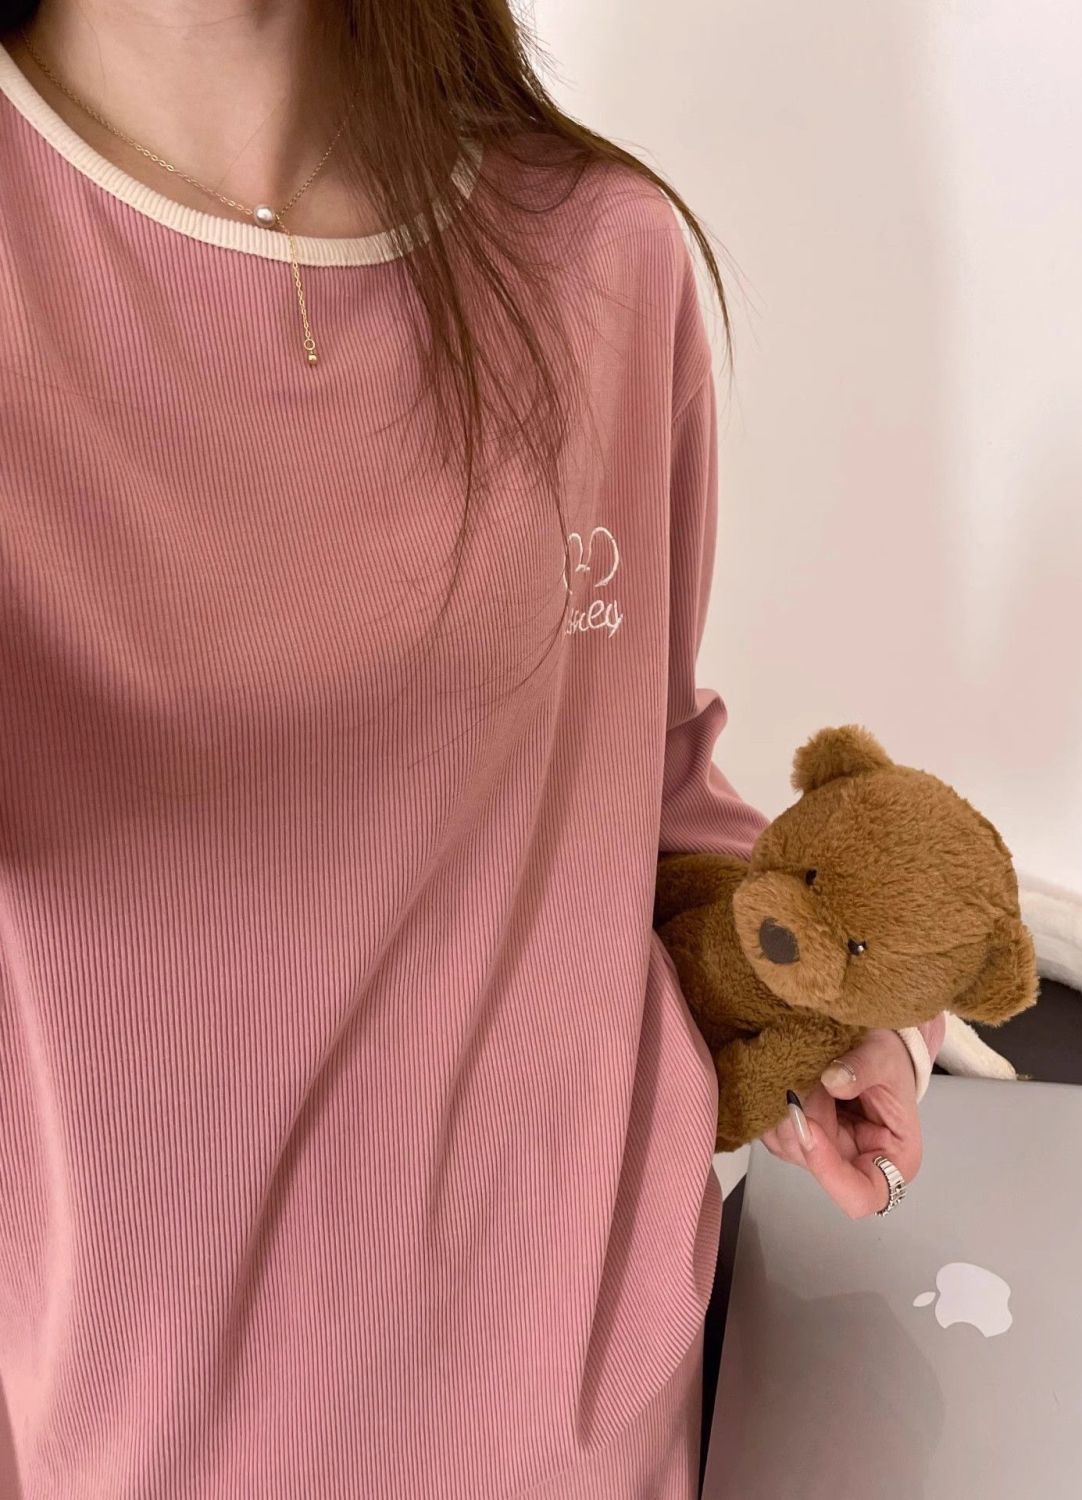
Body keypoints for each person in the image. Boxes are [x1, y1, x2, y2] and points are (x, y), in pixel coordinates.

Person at [0, 3, 944, 1496]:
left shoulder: (603, 258)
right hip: (119, 1433)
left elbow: (638, 785)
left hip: (580, 1423)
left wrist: (824, 1006)